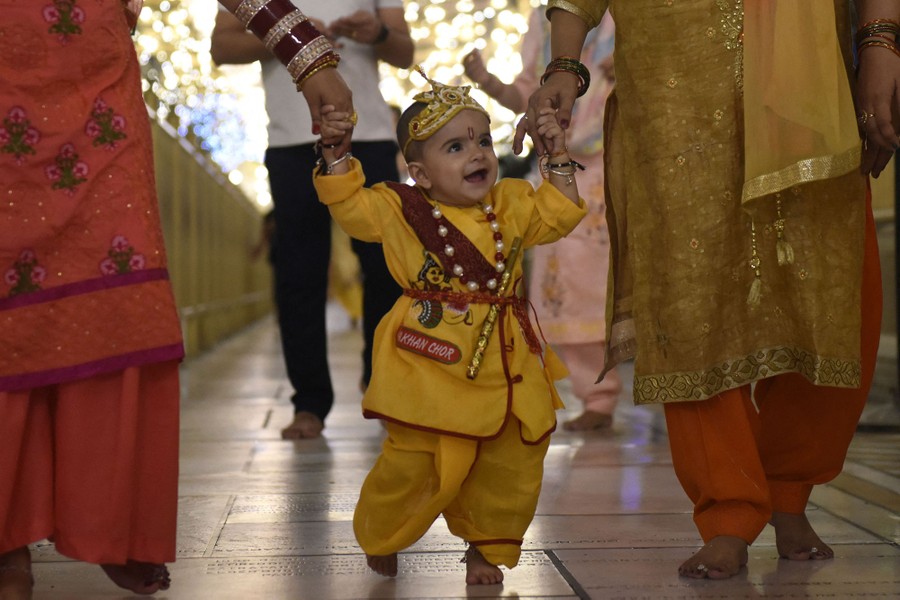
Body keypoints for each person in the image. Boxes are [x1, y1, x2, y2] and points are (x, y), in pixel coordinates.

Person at [514, 0, 898, 580]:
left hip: (810, 76)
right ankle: (727, 509)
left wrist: (880, 44)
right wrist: (564, 64)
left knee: (828, 284)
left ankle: (789, 486)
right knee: (686, 295)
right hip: (671, 77)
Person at [0, 0, 352, 596]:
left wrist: (306, 55)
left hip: (100, 101)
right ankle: (8, 545)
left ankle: (109, 521)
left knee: (118, 295)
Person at [313, 71, 586, 584]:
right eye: (456, 146)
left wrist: (556, 155)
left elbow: (562, 211)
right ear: (420, 172)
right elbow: (350, 207)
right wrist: (335, 154)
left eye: (483, 140)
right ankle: (386, 530)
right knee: (413, 462)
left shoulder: (512, 202)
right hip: (429, 366)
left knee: (511, 462)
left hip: (505, 364)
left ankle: (486, 546)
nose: (477, 154)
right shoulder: (401, 209)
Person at [211, 0, 411, 440]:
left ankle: (381, 380)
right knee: (298, 272)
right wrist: (288, 35)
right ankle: (309, 403)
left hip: (371, 135)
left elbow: (405, 52)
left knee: (387, 265)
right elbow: (221, 46)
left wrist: (375, 33)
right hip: (291, 140)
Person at [464, 8, 621, 431]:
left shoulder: (623, 13)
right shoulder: (544, 22)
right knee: (566, 287)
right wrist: (487, 82)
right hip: (562, 169)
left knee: (622, 281)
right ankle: (597, 395)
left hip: (622, 161)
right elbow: (530, 95)